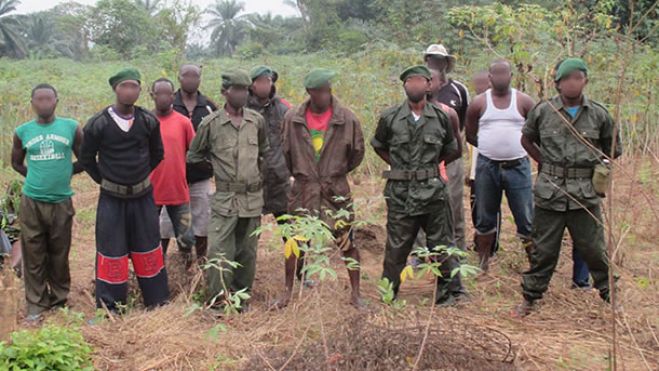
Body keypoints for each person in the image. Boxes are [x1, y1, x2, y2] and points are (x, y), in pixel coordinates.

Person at [515, 58, 621, 316]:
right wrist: (544, 162)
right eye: (566, 79)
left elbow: (613, 148)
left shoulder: (598, 114)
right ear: (558, 83)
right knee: (544, 250)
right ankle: (530, 298)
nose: (572, 83)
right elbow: (526, 139)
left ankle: (612, 298)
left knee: (594, 249)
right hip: (550, 191)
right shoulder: (544, 110)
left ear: (585, 80)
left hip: (585, 194)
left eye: (577, 77)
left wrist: (596, 168)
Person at [372, 65, 466, 306]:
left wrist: (430, 168)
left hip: (433, 192)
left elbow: (453, 148)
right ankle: (388, 294)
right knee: (396, 248)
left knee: (441, 244)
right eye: (410, 81)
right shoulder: (390, 117)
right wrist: (400, 166)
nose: (414, 85)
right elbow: (379, 144)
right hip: (401, 193)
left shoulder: (442, 116)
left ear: (429, 85)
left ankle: (449, 294)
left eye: (420, 81)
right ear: (404, 86)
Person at [80, 68, 169, 312]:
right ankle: (111, 306)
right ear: (115, 89)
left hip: (143, 198)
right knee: (112, 249)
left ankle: (157, 301)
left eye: (134, 86)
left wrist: (138, 176)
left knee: (148, 246)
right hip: (112, 199)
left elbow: (157, 154)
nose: (129, 91)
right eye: (124, 86)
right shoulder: (98, 124)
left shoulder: (148, 121)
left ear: (140, 90)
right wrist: (108, 180)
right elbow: (86, 158)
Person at [278, 68, 365, 308]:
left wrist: (334, 172)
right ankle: (287, 292)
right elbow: (286, 152)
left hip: (334, 189)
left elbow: (356, 153)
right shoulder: (292, 118)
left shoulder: (347, 118)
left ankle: (356, 294)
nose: (325, 95)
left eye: (328, 90)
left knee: (347, 241)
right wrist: (303, 174)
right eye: (320, 91)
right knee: (294, 242)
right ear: (310, 92)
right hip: (303, 190)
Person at [187, 70, 269, 312]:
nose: (242, 95)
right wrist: (216, 168)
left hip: (252, 197)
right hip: (224, 198)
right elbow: (193, 156)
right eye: (236, 90)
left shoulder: (256, 121)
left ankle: (241, 300)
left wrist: (255, 176)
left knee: (248, 251)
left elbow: (263, 151)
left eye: (245, 90)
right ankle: (218, 303)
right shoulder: (211, 124)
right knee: (219, 250)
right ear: (225, 92)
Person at [11, 84, 83, 322]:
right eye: (39, 99)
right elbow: (17, 163)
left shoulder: (71, 127)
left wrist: (63, 174)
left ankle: (60, 299)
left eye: (48, 99)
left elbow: (83, 159)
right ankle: (36, 303)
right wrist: (36, 178)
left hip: (61, 201)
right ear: (32, 103)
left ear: (56, 101)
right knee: (33, 253)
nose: (44, 103)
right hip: (32, 201)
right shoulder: (22, 131)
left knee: (59, 253)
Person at [465, 59, 535, 272]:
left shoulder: (523, 101)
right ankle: (483, 264)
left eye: (505, 74)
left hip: (518, 167)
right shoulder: (479, 103)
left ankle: (535, 266)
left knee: (526, 219)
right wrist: (491, 147)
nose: (500, 78)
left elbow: (535, 131)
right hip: (488, 167)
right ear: (490, 77)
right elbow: (470, 134)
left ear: (511, 76)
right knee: (485, 217)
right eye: (496, 74)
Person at [160, 64, 218, 264]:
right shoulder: (168, 103)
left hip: (200, 177)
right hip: (171, 178)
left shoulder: (209, 106)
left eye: (195, 76)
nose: (191, 79)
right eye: (187, 75)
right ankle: (163, 263)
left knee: (201, 222)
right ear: (179, 77)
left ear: (201, 79)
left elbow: (218, 137)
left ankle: (201, 264)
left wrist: (210, 165)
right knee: (165, 225)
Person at [424, 44, 470, 250]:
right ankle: (424, 253)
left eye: (439, 59)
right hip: (424, 157)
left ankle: (456, 250)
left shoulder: (458, 89)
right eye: (431, 58)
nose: (435, 62)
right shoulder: (419, 86)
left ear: (445, 63)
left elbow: (465, 121)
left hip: (452, 155)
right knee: (423, 203)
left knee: (452, 203)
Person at [149, 78, 196, 266]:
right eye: (158, 94)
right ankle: (154, 273)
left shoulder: (183, 122)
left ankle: (185, 277)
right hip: (150, 193)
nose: (162, 98)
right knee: (151, 239)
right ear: (152, 95)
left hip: (178, 191)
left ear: (173, 95)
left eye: (166, 94)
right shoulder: (145, 120)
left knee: (186, 239)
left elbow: (194, 152)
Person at [466, 71, 501, 256]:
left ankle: (492, 248)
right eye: (477, 86)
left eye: (484, 86)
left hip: (492, 167)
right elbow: (470, 140)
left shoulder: (498, 108)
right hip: (476, 170)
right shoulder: (474, 107)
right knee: (476, 208)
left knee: (491, 210)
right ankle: (480, 245)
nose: (480, 89)